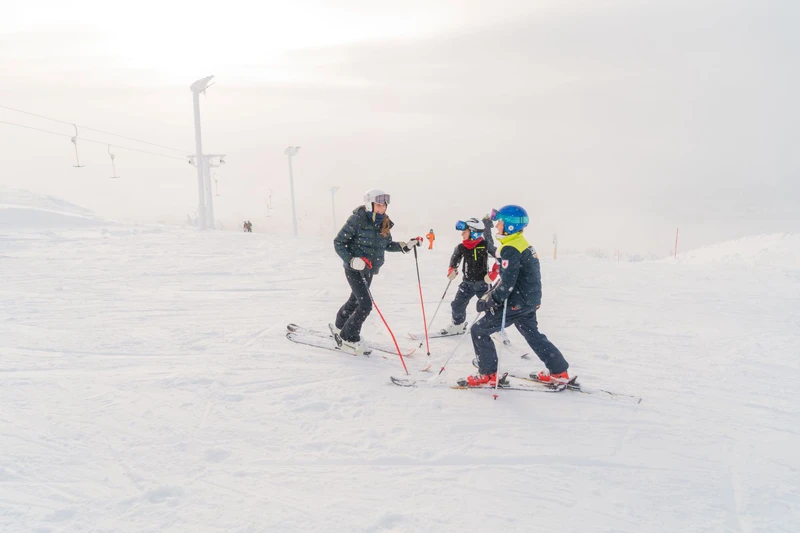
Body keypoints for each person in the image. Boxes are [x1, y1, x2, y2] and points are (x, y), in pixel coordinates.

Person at [460, 205, 569, 387]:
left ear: (510, 226)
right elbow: (502, 259)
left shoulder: (511, 248)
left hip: (516, 302)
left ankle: (488, 374)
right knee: (533, 335)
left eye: (500, 223)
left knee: (479, 330)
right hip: (528, 301)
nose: (497, 226)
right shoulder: (520, 243)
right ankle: (559, 371)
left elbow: (507, 283)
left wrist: (490, 301)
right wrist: (487, 230)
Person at [332, 189, 423, 354]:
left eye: (384, 205)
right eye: (379, 205)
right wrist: (352, 260)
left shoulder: (384, 222)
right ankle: (348, 337)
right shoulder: (357, 219)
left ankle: (340, 326)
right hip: (354, 269)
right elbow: (339, 242)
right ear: (370, 204)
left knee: (355, 300)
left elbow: (387, 245)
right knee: (365, 305)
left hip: (369, 270)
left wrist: (405, 246)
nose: (382, 208)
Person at [440, 217, 496, 335]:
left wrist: (494, 273)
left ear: (473, 233)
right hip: (466, 284)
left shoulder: (486, 245)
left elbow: (501, 258)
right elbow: (454, 260)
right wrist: (452, 269)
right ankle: (458, 325)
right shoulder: (461, 247)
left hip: (484, 284)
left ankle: (496, 328)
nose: (462, 234)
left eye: (464, 232)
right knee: (457, 305)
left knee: (490, 306)